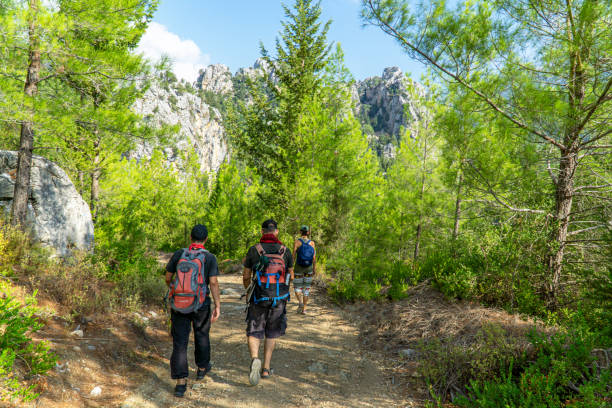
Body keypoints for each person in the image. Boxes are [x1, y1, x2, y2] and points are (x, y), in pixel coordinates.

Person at [165, 224, 221, 397]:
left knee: (180, 342)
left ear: (190, 238)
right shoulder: (209, 257)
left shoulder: (179, 254)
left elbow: (168, 278)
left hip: (179, 304)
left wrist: (178, 292)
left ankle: (181, 383)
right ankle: (202, 369)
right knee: (201, 335)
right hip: (201, 304)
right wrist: (218, 305)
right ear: (206, 239)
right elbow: (213, 282)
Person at [242, 219, 294, 385]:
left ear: (262, 231)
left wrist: (248, 290)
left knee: (254, 330)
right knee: (271, 332)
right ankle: (265, 368)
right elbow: (291, 276)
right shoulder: (285, 251)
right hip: (279, 299)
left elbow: (245, 275)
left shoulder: (254, 250)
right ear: (276, 232)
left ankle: (255, 358)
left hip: (259, 296)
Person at [293, 225, 316, 314]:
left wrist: (291, 267)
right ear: (308, 233)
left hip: (298, 268)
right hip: (309, 268)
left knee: (297, 287)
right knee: (306, 289)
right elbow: (314, 258)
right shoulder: (312, 243)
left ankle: (300, 302)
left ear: (300, 232)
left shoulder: (297, 242)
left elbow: (293, 255)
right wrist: (314, 269)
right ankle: (304, 309)